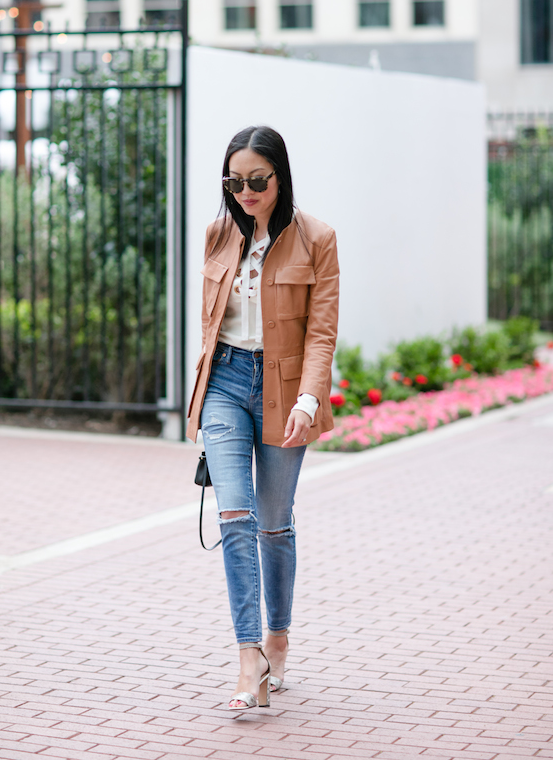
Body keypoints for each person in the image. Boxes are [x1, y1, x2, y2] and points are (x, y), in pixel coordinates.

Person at [186, 125, 339, 710]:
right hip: (225, 381)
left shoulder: (317, 238)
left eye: (257, 180)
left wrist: (308, 399)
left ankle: (278, 639)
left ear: (280, 177)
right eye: (234, 181)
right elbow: (209, 322)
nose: (245, 191)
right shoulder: (218, 233)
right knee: (235, 517)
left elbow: (321, 332)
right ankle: (248, 655)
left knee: (274, 523)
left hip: (284, 392)